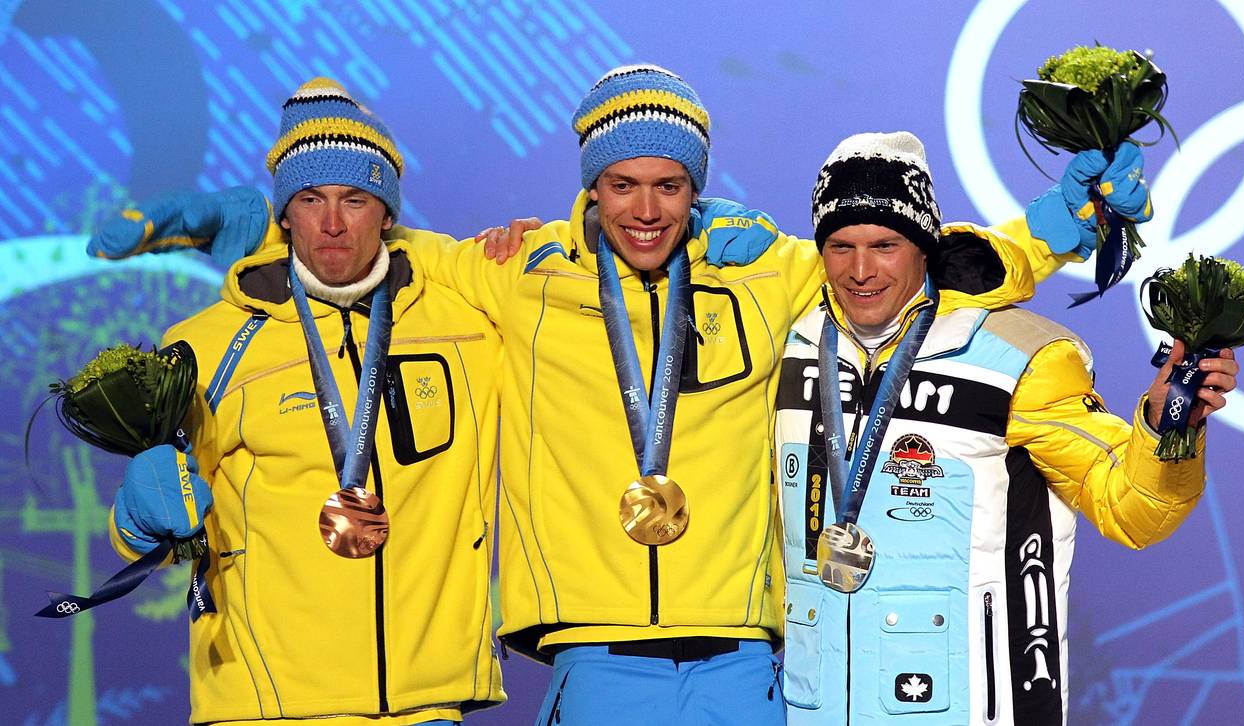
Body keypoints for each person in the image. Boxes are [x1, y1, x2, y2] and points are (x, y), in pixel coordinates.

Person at [90, 65, 1150, 726]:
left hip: (744, 652)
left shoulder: (762, 269)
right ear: (587, 187)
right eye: (622, 183)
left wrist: (1053, 227)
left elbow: (909, 265)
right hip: (595, 650)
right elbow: (363, 254)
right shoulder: (518, 272)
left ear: (699, 188)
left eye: (671, 184)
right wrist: (246, 227)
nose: (646, 208)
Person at [773, 131, 1239, 725]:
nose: (861, 270)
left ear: (924, 246)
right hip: (814, 710)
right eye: (840, 246)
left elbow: (1132, 509)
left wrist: (1166, 426)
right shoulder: (791, 346)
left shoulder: (1020, 359)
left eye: (885, 244)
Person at [104, 78, 505, 725]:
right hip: (266, 706)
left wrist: (705, 231)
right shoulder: (210, 345)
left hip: (426, 703)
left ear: (390, 212)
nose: (334, 223)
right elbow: (143, 528)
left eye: (356, 198)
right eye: (311, 198)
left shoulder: (469, 327)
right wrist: (138, 513)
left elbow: (594, 270)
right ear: (284, 214)